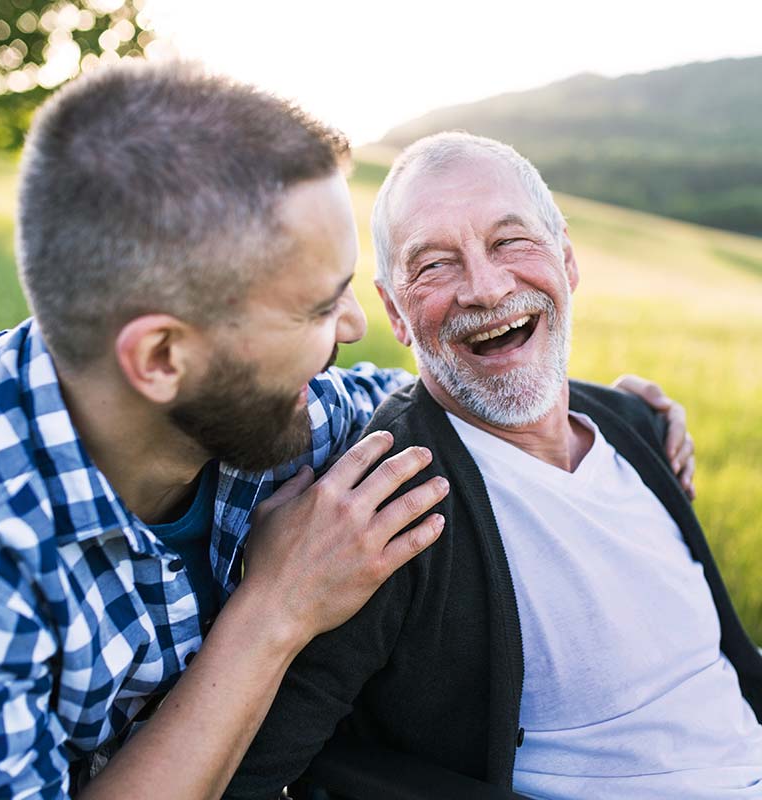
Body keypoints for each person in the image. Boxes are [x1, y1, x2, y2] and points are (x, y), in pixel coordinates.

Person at [0, 62, 691, 800]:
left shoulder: (277, 411)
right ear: (161, 357)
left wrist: (612, 414)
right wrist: (273, 611)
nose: (353, 328)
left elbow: (427, 394)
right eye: (316, 309)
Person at [225, 133, 762, 800]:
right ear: (393, 310)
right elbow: (253, 774)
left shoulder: (638, 428)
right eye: (434, 266)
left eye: (510, 242)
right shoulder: (388, 509)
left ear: (566, 259)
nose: (485, 288)